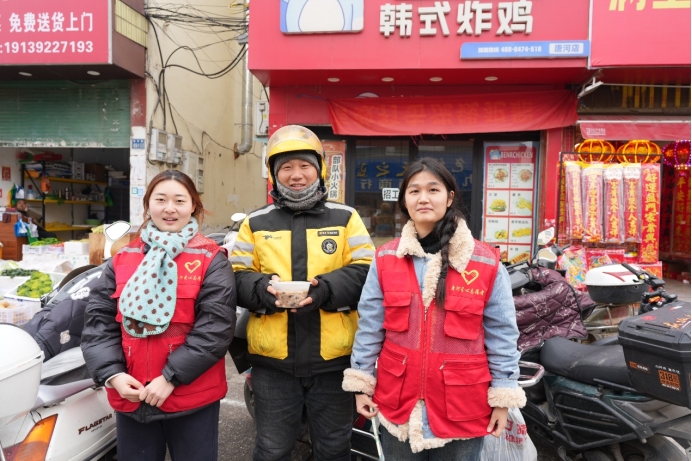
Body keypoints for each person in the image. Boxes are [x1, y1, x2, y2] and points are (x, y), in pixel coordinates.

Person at [342, 158, 525, 460]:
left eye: (433, 190)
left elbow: (502, 334)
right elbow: (370, 326)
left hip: (463, 407)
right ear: (404, 200)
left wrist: (502, 397)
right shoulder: (385, 258)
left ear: (450, 197)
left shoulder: (485, 262)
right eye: (414, 191)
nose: (423, 198)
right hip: (398, 403)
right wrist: (361, 382)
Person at [231, 125, 375, 461]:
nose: (296, 175)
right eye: (286, 167)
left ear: (320, 169)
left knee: (334, 448)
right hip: (272, 364)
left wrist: (326, 289)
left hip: (334, 362)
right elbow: (235, 276)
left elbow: (368, 270)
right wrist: (261, 289)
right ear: (273, 174)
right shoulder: (255, 222)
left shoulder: (346, 218)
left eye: (305, 166)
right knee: (272, 449)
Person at [81, 170, 236, 461]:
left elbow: (215, 329)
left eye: (179, 200)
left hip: (191, 397)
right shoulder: (122, 259)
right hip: (132, 397)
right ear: (148, 204)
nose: (169, 208)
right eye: (161, 199)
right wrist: (113, 375)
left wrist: (170, 378)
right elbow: (99, 323)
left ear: (193, 205)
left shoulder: (211, 259)